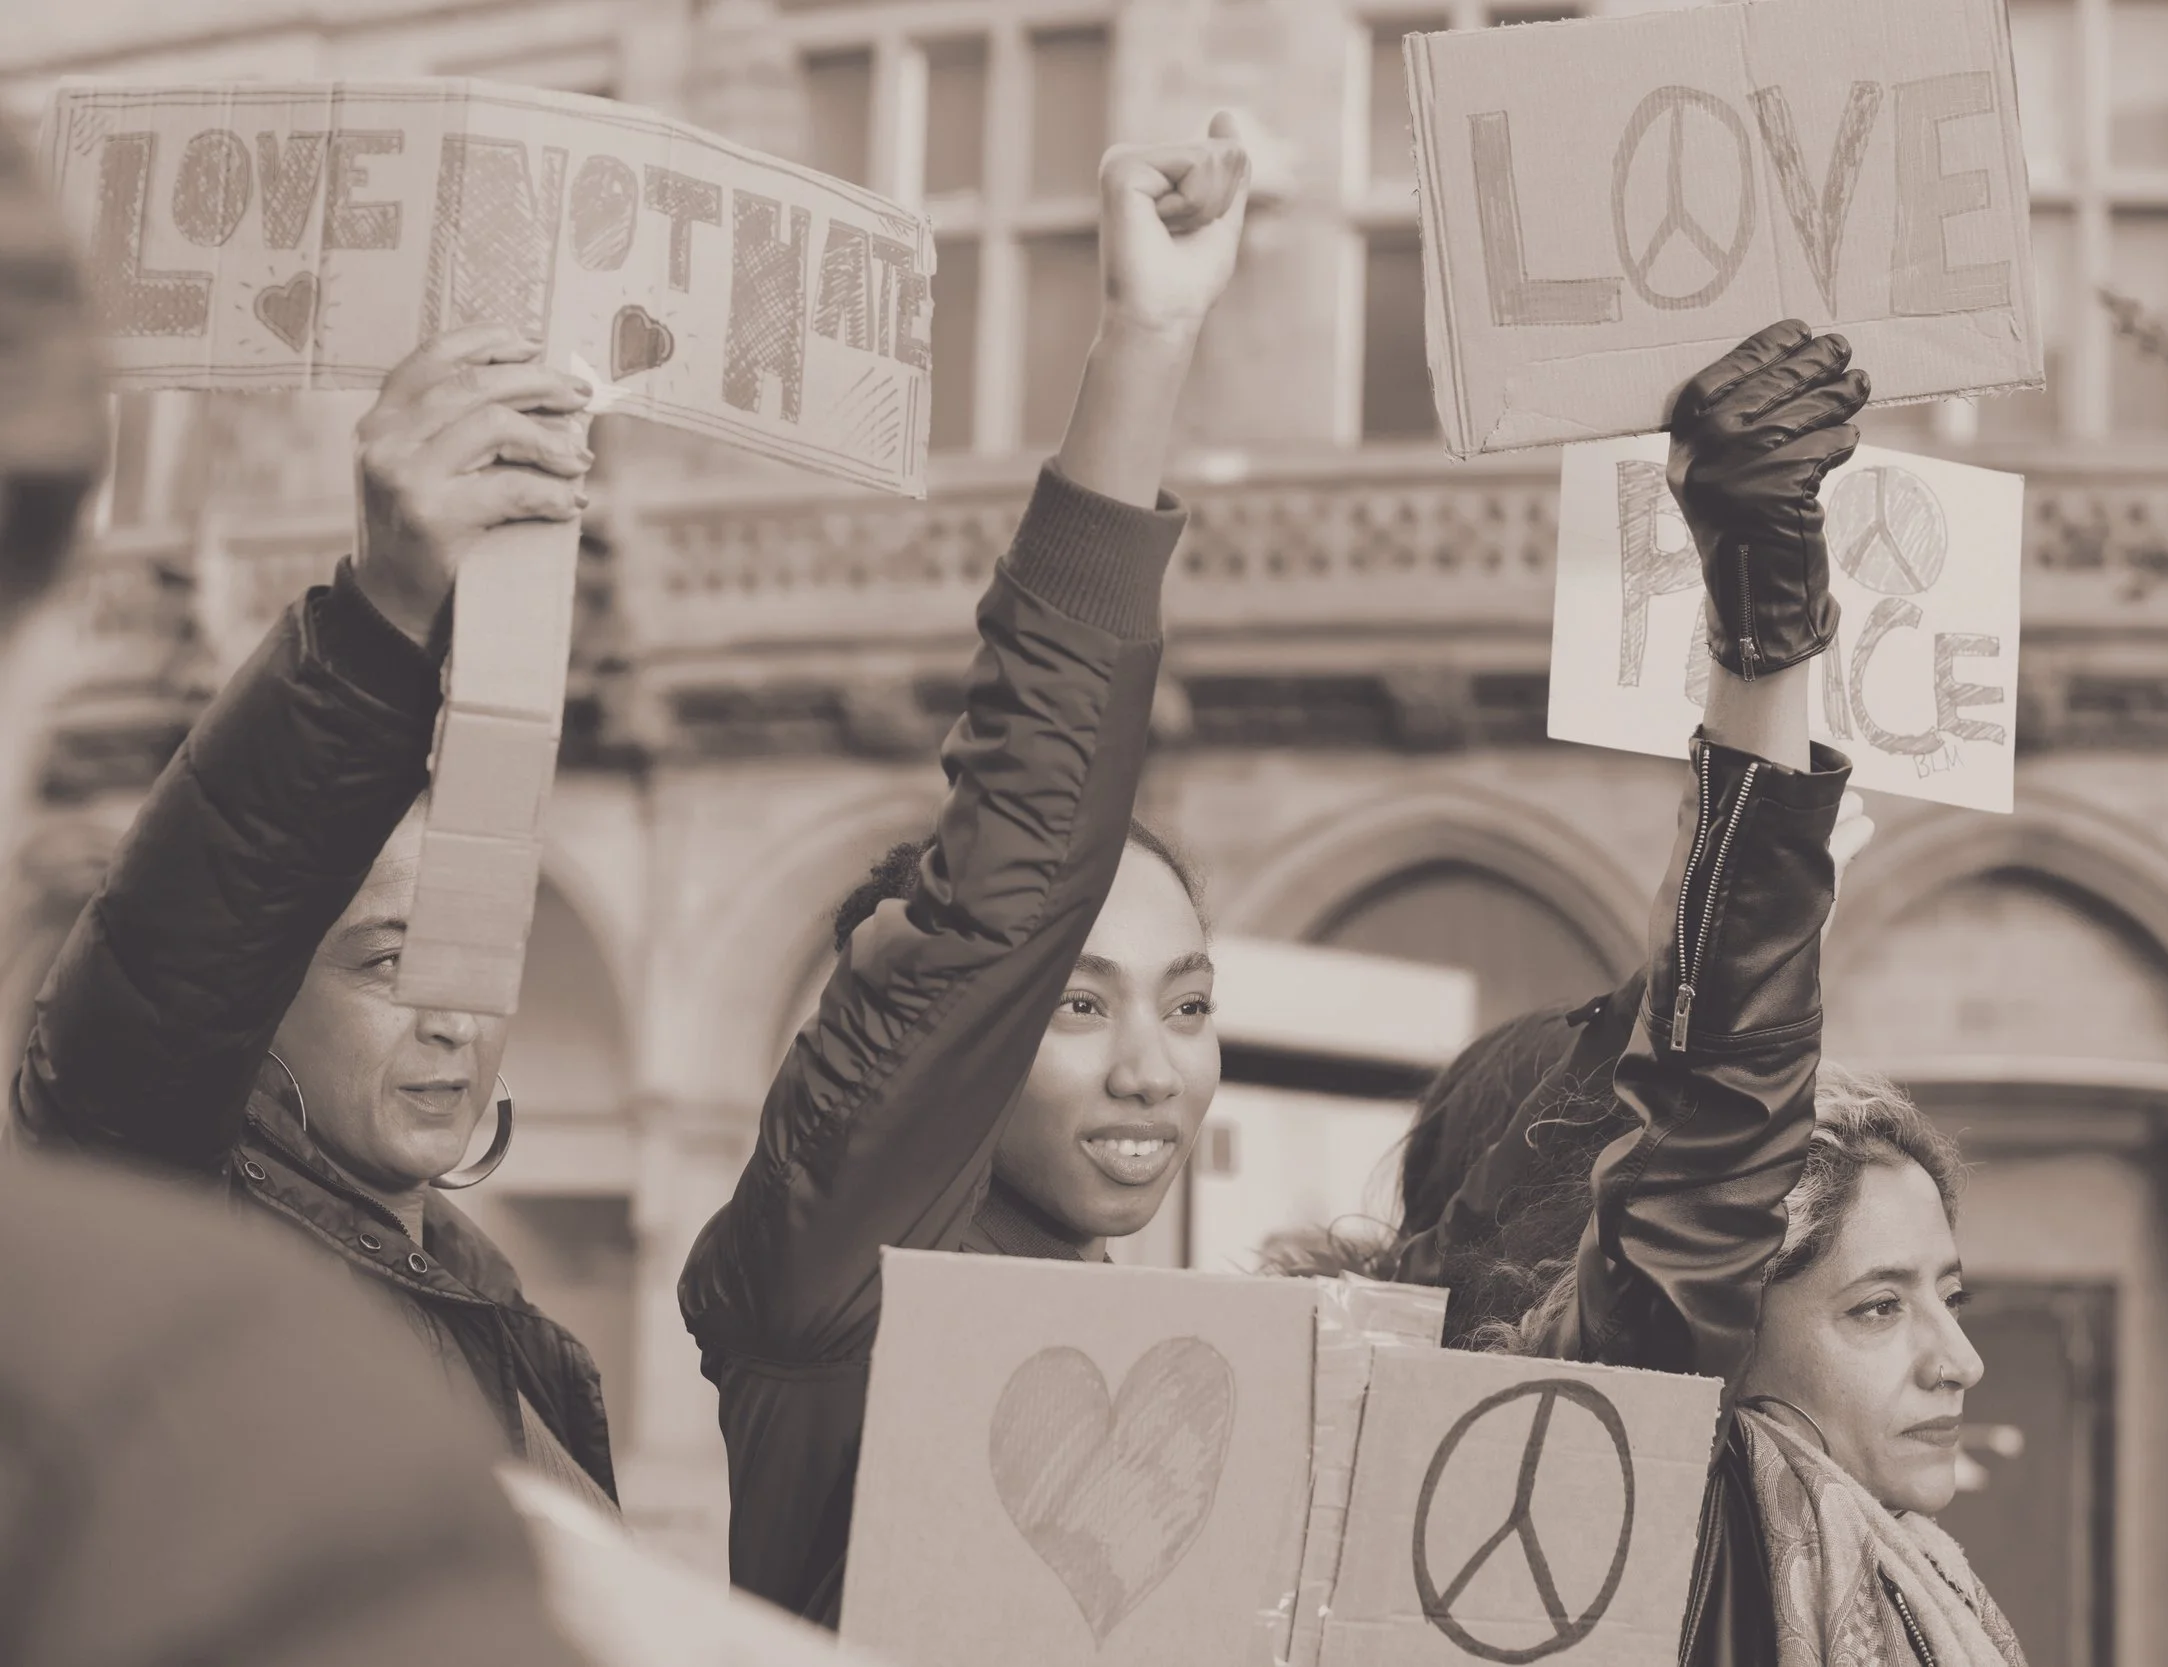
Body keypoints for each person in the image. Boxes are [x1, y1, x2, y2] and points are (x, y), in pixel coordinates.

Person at [0, 112, 593, 1667]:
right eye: (386, 954)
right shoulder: (178, 1220)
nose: (456, 1010)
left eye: (478, 951)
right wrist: (392, 601)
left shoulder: (533, 1342)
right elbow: (181, 948)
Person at [676, 115, 1251, 1626]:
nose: (1152, 1071)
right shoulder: (844, 1267)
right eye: (1072, 1008)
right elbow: (1014, 869)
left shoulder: (1124, 1342)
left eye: (1187, 1005)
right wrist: (1146, 343)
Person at [1398, 320, 2028, 1667]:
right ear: (1719, 1320)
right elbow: (1713, 1106)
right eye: (1877, 1305)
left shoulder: (1928, 1581)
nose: (1959, 1358)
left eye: (1947, 1292)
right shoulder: (1642, 1517)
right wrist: (1765, 645)